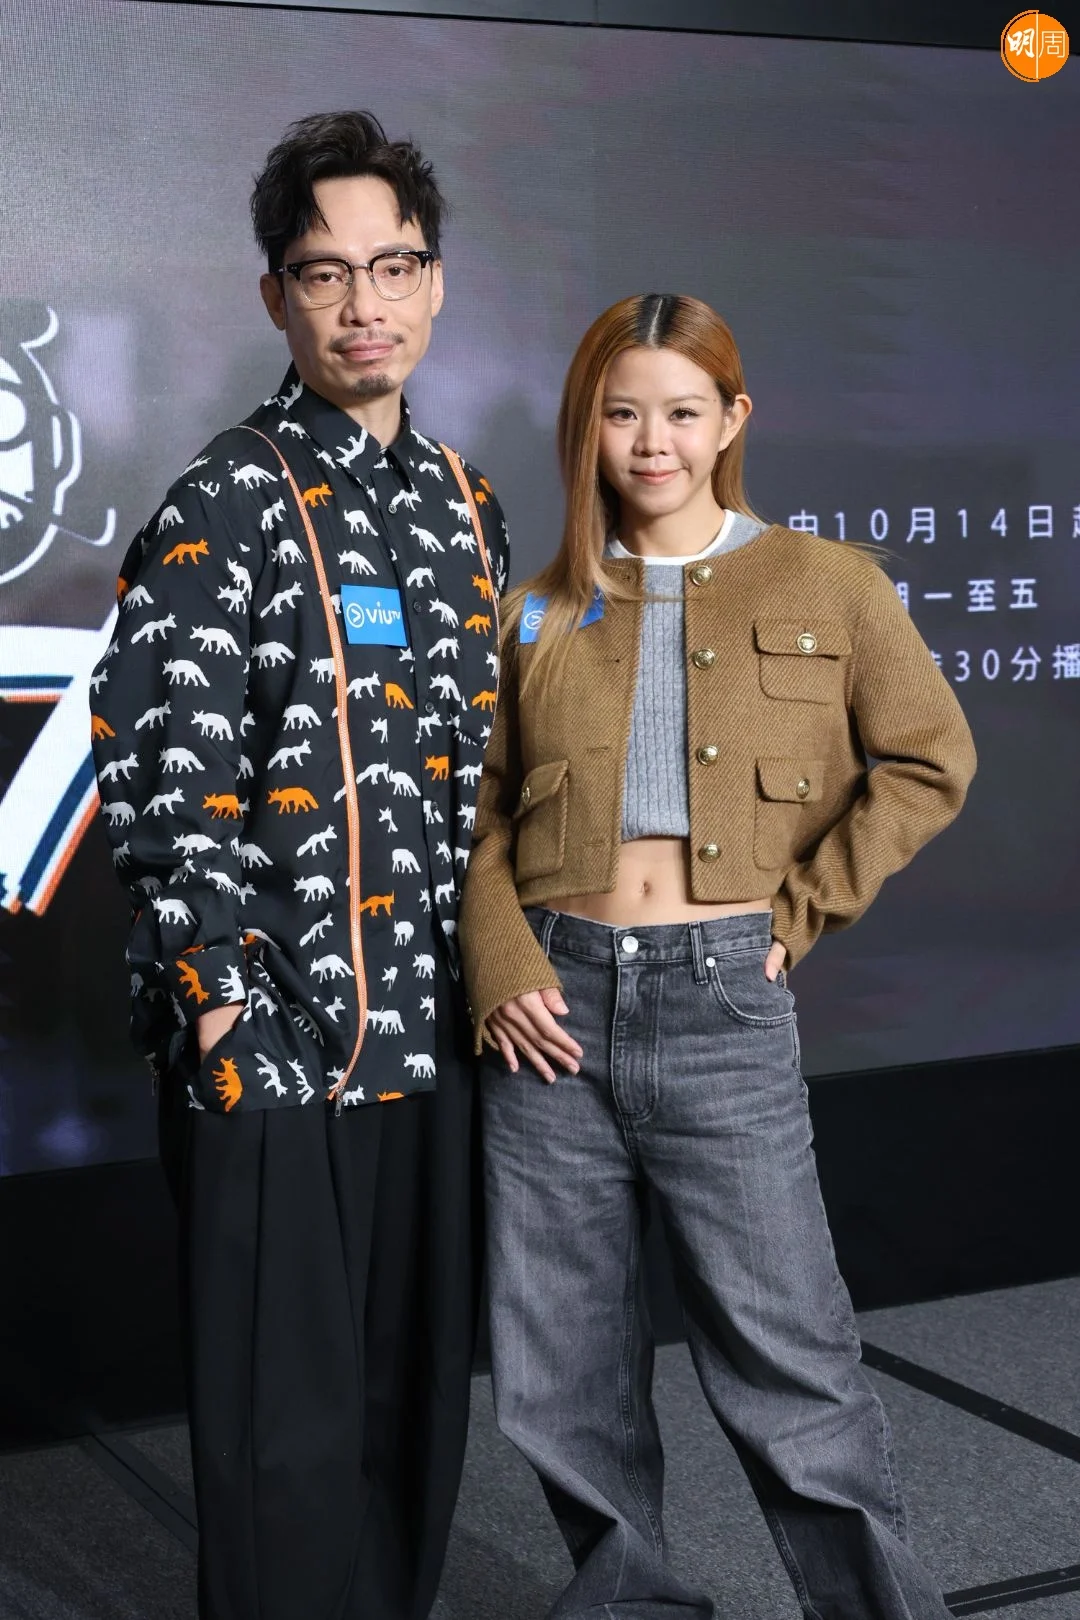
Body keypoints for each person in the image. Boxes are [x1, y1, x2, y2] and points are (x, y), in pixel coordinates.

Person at [459, 292, 975, 1620]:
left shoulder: (830, 582)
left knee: (791, 1361)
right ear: (586, 425)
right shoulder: (536, 608)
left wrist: (799, 915)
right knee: (561, 1372)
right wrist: (502, 961)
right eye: (622, 413)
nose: (653, 442)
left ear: (733, 420)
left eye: (683, 412)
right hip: (548, 1020)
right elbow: (477, 814)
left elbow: (932, 760)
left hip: (719, 1008)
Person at [90, 111, 508, 1620]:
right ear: (277, 295)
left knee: (412, 1411)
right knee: (286, 1438)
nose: (362, 305)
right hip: (275, 1044)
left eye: (394, 267)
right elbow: (158, 765)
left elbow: (485, 779)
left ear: (435, 282)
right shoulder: (228, 496)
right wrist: (220, 1013)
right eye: (325, 274)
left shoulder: (464, 505)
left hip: (431, 1040)